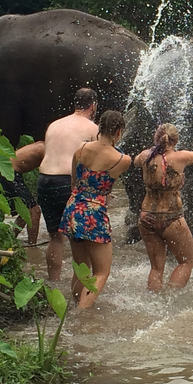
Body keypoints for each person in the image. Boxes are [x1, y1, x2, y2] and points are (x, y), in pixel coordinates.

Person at [59, 110, 132, 309]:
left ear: (100, 127)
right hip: (94, 214)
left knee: (81, 267)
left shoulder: (81, 148)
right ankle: (81, 315)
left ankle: (74, 307)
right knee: (101, 272)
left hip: (73, 208)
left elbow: (74, 181)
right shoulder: (122, 160)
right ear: (118, 132)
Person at [133, 124, 193, 291]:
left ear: (156, 139)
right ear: (176, 141)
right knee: (186, 262)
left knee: (156, 268)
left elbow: (134, 162)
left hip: (146, 217)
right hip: (171, 217)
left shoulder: (144, 156)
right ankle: (170, 300)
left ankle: (154, 303)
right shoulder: (180, 157)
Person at [37, 88, 99, 281]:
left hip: (44, 180)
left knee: (56, 237)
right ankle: (80, 289)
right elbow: (97, 162)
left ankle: (53, 283)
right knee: (80, 239)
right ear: (93, 105)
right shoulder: (91, 128)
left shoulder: (54, 124)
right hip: (67, 182)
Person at [0, 140, 45, 245]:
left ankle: (10, 239)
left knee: (26, 211)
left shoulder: (41, 145)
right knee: (34, 211)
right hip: (10, 174)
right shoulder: (43, 148)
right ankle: (32, 245)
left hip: (9, 173)